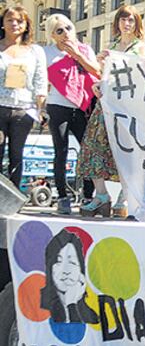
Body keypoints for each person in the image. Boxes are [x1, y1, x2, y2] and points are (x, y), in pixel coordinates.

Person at [76, 5, 145, 218]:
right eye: (123, 20)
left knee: (125, 150)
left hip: (127, 106)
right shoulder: (115, 45)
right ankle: (101, 195)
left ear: (137, 25)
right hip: (106, 103)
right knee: (93, 146)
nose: (126, 24)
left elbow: (138, 70)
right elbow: (108, 75)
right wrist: (99, 82)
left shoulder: (141, 47)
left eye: (131, 21)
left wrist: (114, 57)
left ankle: (125, 196)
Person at [43, 14, 99, 214]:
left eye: (68, 28)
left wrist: (78, 56)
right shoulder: (46, 53)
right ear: (52, 35)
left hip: (82, 106)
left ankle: (88, 195)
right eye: (59, 30)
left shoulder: (84, 49)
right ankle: (63, 196)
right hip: (57, 106)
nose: (65, 33)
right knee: (61, 150)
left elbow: (98, 72)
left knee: (87, 151)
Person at [0, 5, 47, 189]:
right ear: (3, 23)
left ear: (26, 25)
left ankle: (12, 197)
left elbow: (40, 82)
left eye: (19, 21)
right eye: (10, 20)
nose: (14, 24)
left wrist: (40, 109)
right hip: (0, 108)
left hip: (23, 110)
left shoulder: (35, 51)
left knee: (16, 155)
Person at [39, 229, 98, 324]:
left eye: (72, 262)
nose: (66, 271)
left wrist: (72, 303)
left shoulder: (91, 316)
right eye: (59, 262)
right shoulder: (39, 310)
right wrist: (71, 305)